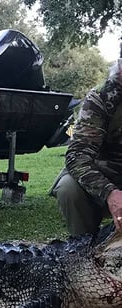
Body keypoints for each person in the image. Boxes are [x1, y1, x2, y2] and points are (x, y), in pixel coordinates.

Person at [51, 59, 122, 237]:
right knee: (68, 188)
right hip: (105, 174)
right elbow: (77, 155)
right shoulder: (101, 98)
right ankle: (85, 252)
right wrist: (109, 192)